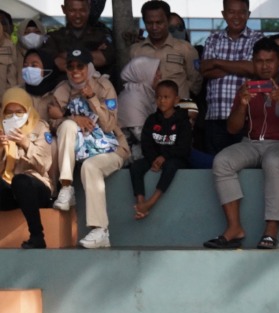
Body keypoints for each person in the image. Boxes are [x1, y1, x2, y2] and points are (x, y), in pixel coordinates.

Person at [204, 38, 279, 250]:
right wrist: (242, 105)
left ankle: (271, 230)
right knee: (222, 161)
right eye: (259, 61)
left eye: (270, 60)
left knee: (273, 160)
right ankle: (234, 228)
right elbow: (232, 129)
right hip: (251, 142)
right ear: (253, 62)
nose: (265, 66)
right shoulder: (246, 88)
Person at [46, 46, 128, 250]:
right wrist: (72, 118)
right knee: (67, 125)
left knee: (90, 167)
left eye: (80, 66)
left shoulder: (103, 86)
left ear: (88, 67)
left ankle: (101, 230)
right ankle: (66, 187)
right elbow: (51, 122)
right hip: (81, 149)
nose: (75, 71)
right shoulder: (63, 89)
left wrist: (92, 98)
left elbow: (109, 125)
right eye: (71, 67)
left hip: (111, 149)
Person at [200, 0, 263, 154]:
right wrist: (240, 67)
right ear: (223, 14)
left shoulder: (258, 39)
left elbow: (254, 68)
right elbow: (205, 69)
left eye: (241, 12)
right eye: (231, 12)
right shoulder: (212, 39)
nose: (237, 16)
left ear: (248, 14)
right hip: (216, 116)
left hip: (247, 116)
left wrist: (216, 62)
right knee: (215, 165)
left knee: (247, 167)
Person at [0, 87, 56, 249]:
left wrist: (25, 144)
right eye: (9, 112)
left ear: (28, 109)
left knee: (21, 181)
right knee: (15, 183)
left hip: (35, 188)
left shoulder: (40, 128)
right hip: (9, 192)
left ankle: (37, 236)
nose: (14, 116)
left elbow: (44, 164)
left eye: (19, 111)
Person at [130, 79, 189, 220]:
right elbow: (146, 144)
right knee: (135, 167)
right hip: (154, 158)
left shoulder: (183, 121)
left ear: (176, 100)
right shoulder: (152, 120)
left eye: (166, 97)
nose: (162, 100)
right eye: (159, 97)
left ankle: (152, 201)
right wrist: (153, 160)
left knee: (171, 165)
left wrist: (164, 157)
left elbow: (184, 148)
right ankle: (140, 202)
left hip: (174, 159)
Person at [130, 0, 200, 101]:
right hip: (146, 112)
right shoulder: (135, 51)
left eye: (159, 22)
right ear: (144, 22)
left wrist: (181, 97)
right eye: (149, 23)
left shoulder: (186, 49)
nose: (154, 27)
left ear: (167, 20)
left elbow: (196, 81)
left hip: (178, 112)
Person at [45, 0, 114, 76]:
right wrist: (91, 55)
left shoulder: (101, 34)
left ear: (89, 8)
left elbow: (103, 59)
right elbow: (54, 62)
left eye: (82, 10)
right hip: (63, 85)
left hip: (96, 85)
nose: (78, 15)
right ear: (64, 9)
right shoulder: (54, 37)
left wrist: (65, 56)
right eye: (72, 10)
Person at [117, 56, 159, 154]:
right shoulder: (131, 98)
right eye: (156, 72)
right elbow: (140, 135)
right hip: (131, 155)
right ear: (144, 74)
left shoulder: (145, 93)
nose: (160, 75)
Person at [22, 48, 61, 119]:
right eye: (25, 65)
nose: (28, 69)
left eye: (34, 65)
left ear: (47, 66)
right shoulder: (18, 92)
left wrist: (59, 116)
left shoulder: (59, 92)